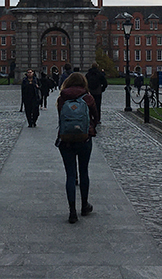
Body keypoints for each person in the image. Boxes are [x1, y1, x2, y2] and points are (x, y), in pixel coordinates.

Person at [56, 72, 98, 224]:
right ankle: (84, 206)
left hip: (66, 139)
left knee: (70, 175)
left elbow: (60, 117)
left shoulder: (62, 98)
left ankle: (72, 211)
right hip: (84, 138)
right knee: (84, 171)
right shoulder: (88, 98)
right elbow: (96, 117)